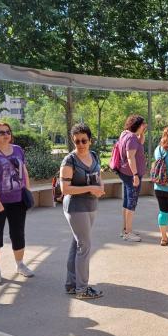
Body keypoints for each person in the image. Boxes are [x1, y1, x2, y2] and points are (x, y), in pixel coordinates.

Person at [0, 121, 34, 286]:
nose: (6, 135)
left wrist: (27, 191)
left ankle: (20, 265)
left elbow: (24, 171)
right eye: (1, 132)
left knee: (18, 234)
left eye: (8, 132)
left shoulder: (18, 150)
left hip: (17, 200)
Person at [60, 123, 105, 299]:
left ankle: (71, 284)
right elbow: (65, 189)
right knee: (84, 246)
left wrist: (100, 188)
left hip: (91, 205)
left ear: (90, 140)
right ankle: (82, 289)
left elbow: (99, 176)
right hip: (75, 207)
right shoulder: (69, 161)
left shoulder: (94, 156)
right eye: (77, 141)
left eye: (83, 140)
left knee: (77, 243)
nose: (80, 144)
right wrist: (90, 188)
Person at [116, 115, 147, 242]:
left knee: (127, 201)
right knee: (132, 202)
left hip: (125, 173)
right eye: (143, 124)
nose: (145, 126)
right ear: (137, 125)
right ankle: (128, 233)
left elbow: (141, 142)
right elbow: (130, 157)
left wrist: (142, 133)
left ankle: (125, 229)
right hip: (131, 174)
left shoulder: (125, 134)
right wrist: (135, 175)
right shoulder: (132, 138)